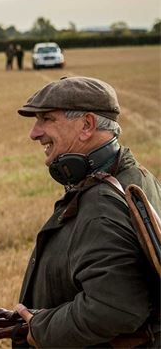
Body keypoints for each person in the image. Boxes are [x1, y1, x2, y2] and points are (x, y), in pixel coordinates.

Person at [13, 76, 161, 347]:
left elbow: (114, 308)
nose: (34, 133)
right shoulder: (137, 177)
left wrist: (44, 330)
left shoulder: (102, 203)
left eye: (46, 119)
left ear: (87, 125)